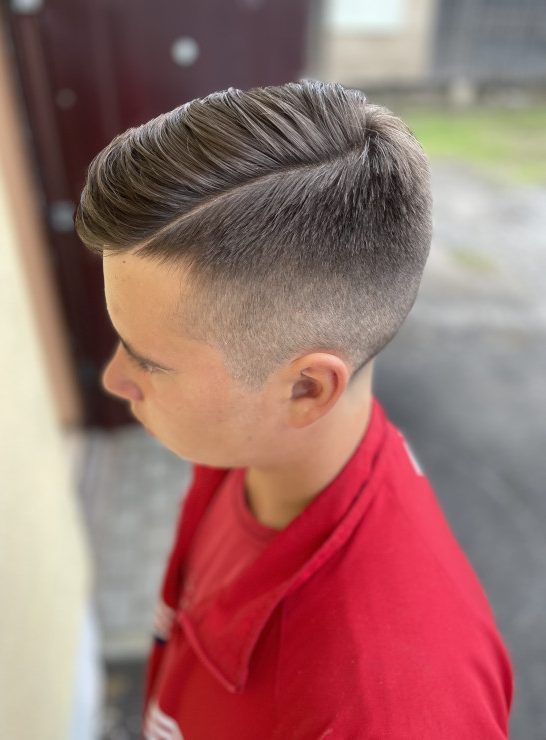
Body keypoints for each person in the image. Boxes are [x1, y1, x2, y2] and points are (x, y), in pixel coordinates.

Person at [75, 81, 513, 739]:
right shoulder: (247, 447)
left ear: (306, 389)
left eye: (149, 361)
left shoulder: (387, 710)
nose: (115, 380)